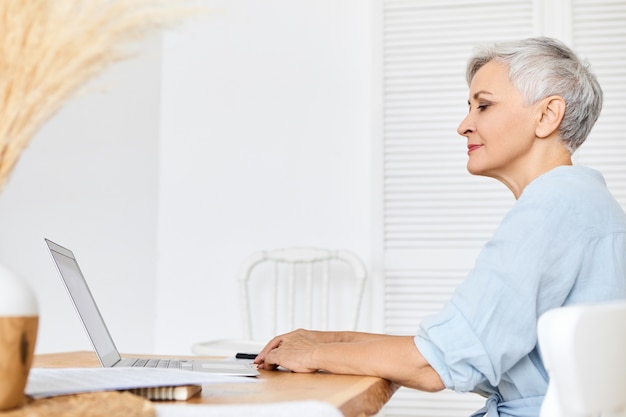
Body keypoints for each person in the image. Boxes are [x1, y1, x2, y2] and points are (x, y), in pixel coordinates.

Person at [254, 37, 626, 417]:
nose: (464, 125)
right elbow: (469, 350)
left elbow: (433, 365)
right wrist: (331, 339)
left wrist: (314, 354)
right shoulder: (587, 204)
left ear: (547, 115)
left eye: (483, 105)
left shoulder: (549, 211)